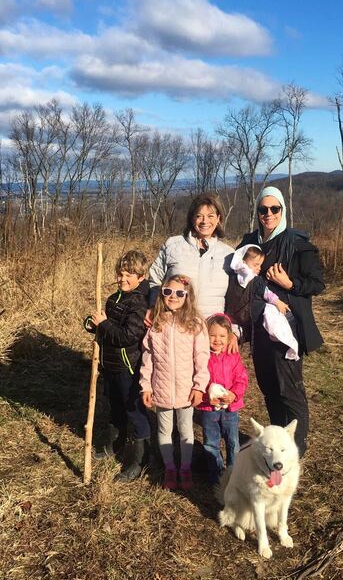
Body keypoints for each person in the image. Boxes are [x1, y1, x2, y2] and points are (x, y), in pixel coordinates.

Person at [235, 186, 325, 457]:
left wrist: (289, 283)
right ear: (257, 213)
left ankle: (296, 447)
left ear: (283, 211)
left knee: (290, 389)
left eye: (275, 209)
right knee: (269, 386)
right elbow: (235, 273)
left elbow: (317, 283)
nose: (269, 214)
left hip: (288, 328)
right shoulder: (249, 243)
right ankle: (278, 440)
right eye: (263, 210)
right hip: (259, 328)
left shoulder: (297, 244)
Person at [84, 250, 152, 481]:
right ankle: (115, 443)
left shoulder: (139, 303)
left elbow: (127, 336)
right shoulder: (113, 299)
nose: (123, 278)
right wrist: (94, 325)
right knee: (115, 406)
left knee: (134, 410)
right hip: (109, 364)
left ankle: (139, 460)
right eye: (120, 273)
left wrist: (104, 325)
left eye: (130, 274)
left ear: (141, 277)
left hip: (127, 367)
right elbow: (106, 329)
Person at [139, 274, 210, 490]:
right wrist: (146, 385)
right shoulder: (156, 322)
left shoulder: (195, 323)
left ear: (187, 296)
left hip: (186, 389)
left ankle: (185, 467)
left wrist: (199, 386)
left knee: (186, 430)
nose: (173, 296)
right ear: (162, 293)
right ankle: (170, 467)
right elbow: (147, 356)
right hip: (160, 386)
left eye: (179, 293)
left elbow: (202, 356)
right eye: (168, 291)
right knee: (163, 430)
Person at [148, 194, 235, 334]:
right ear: (192, 218)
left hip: (211, 333)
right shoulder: (173, 245)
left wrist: (234, 331)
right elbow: (155, 280)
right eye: (199, 216)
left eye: (211, 216)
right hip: (174, 330)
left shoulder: (229, 255)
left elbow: (236, 297)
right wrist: (153, 306)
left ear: (219, 219)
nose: (204, 221)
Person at [195, 314, 248, 485]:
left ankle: (234, 473)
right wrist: (205, 398)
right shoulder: (201, 358)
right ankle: (216, 475)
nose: (217, 340)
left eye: (222, 336)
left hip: (230, 410)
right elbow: (196, 382)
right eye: (212, 335)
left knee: (233, 441)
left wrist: (234, 395)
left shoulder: (232, 356)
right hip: (209, 410)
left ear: (229, 337)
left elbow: (242, 379)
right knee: (211, 442)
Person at [229, 244, 300, 360]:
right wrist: (278, 302)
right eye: (256, 265)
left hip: (238, 317)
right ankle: (282, 338)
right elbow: (267, 294)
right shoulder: (254, 280)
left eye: (260, 265)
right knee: (271, 312)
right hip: (248, 315)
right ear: (243, 262)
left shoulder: (233, 278)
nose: (259, 268)